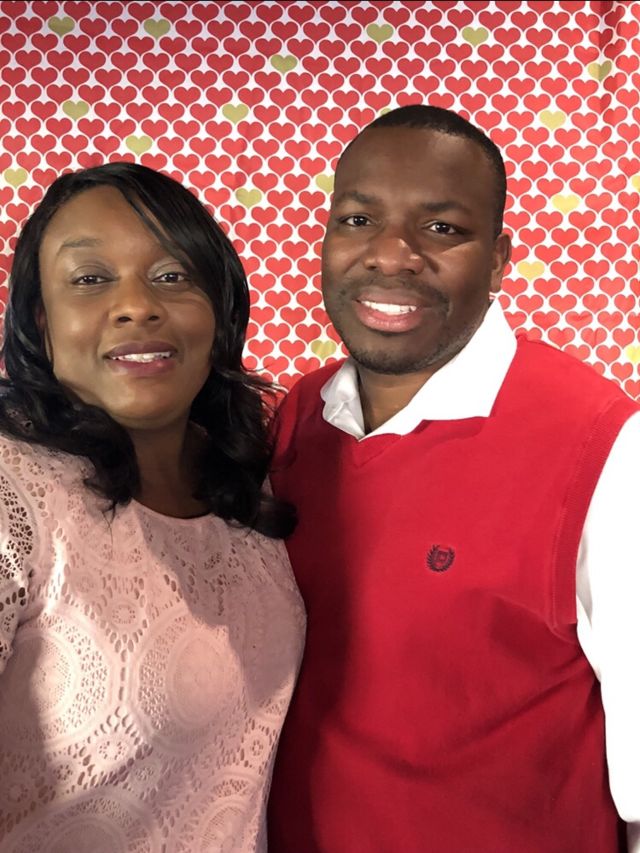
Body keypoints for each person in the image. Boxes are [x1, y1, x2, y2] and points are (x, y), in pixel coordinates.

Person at [267, 105, 640, 852]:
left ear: (499, 260)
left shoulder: (605, 447)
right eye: (357, 219)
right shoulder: (296, 418)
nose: (391, 255)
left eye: (441, 228)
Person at [0, 162, 305, 852]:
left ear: (219, 310)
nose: (136, 306)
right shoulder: (13, 494)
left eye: (172, 275)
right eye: (90, 279)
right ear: (41, 319)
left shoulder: (252, 479)